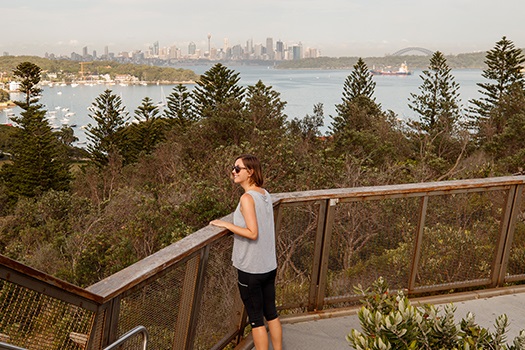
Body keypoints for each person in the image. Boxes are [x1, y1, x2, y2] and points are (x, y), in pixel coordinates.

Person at [210, 154, 283, 350]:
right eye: (233, 168)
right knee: (271, 313)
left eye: (237, 168)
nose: (233, 171)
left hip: (252, 268)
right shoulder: (264, 194)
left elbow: (252, 232)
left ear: (250, 172)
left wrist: (226, 224)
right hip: (268, 265)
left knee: (257, 320)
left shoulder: (247, 198)